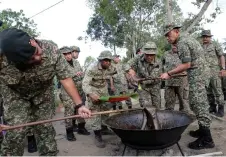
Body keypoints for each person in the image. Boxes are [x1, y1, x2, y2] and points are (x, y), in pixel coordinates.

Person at [0, 28, 91, 156]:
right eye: (30, 59)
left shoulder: (52, 50)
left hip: (43, 93)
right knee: (16, 131)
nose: (37, 57)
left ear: (32, 41)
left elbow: (65, 77)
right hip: (15, 94)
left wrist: (79, 105)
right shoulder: (1, 59)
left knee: (45, 128)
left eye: (36, 51)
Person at [161, 23, 214, 149]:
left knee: (198, 103)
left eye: (168, 34)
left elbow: (186, 65)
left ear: (176, 31)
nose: (167, 38)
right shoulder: (187, 39)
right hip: (199, 73)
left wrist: (168, 73)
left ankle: (207, 139)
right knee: (196, 102)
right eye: (166, 36)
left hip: (198, 74)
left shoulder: (182, 42)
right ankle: (202, 130)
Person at [82, 50, 116, 148]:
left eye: (109, 60)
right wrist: (91, 94)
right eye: (105, 60)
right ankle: (98, 135)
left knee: (105, 110)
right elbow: (85, 83)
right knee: (95, 112)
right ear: (100, 60)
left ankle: (104, 128)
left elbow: (119, 71)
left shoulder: (111, 67)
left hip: (103, 89)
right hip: (93, 89)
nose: (108, 62)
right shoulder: (92, 68)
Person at [59, 46, 90, 141]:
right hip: (67, 93)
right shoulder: (60, 65)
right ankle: (69, 132)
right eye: (65, 54)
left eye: (69, 53)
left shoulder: (76, 62)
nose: (68, 56)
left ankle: (81, 128)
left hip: (79, 91)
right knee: (69, 112)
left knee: (80, 109)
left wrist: (81, 74)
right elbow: (63, 78)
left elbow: (80, 73)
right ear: (61, 55)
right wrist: (74, 75)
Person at [128, 42, 162, 108]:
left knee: (157, 105)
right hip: (142, 87)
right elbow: (126, 65)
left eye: (151, 55)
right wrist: (130, 70)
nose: (149, 57)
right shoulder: (138, 58)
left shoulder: (158, 62)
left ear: (155, 54)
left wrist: (137, 80)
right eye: (147, 54)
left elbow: (152, 78)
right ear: (144, 53)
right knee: (145, 106)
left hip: (155, 86)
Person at [201, 30, 225, 117]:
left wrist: (223, 68)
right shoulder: (200, 47)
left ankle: (221, 109)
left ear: (210, 37)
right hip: (204, 72)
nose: (205, 38)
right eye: (203, 37)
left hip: (214, 71)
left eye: (207, 37)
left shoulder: (215, 45)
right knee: (208, 91)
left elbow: (221, 56)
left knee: (218, 90)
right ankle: (212, 107)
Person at [162, 44, 189, 112]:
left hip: (182, 81)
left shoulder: (184, 53)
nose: (174, 46)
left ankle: (183, 118)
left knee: (184, 103)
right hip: (169, 82)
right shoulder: (166, 54)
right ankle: (169, 118)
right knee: (169, 103)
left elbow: (189, 65)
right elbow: (160, 65)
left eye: (176, 45)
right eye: (173, 45)